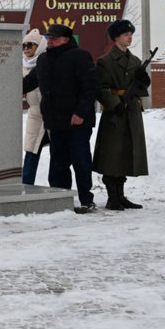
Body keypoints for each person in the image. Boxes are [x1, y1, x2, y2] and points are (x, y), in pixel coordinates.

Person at [22, 23, 99, 213]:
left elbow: (89, 88)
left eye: (54, 38)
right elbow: (28, 83)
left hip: (77, 121)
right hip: (55, 122)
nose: (50, 41)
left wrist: (80, 113)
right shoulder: (43, 60)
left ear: (66, 39)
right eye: (48, 38)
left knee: (80, 161)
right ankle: (61, 198)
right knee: (58, 163)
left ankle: (86, 199)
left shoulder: (80, 56)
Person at [93, 19, 150, 210]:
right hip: (115, 113)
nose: (130, 37)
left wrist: (144, 81)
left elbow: (140, 87)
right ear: (116, 37)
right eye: (126, 34)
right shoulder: (105, 61)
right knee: (112, 154)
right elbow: (100, 89)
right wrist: (114, 104)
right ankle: (112, 197)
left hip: (131, 112)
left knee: (126, 153)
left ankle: (121, 195)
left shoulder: (134, 61)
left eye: (130, 34)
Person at [21, 29, 49, 185]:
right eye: (24, 45)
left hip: (52, 113)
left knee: (59, 153)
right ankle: (26, 184)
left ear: (39, 46)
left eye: (30, 45)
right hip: (35, 114)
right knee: (31, 150)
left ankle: (58, 188)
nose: (26, 49)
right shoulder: (22, 64)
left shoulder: (46, 60)